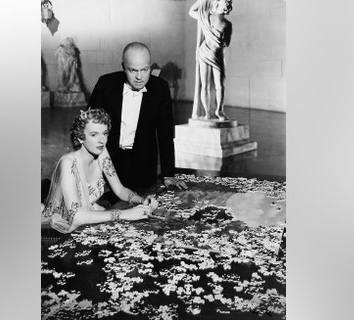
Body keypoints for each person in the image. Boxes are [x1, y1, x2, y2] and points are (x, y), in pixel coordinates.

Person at [89, 42, 188, 193]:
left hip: (142, 165)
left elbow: (165, 134)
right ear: (123, 67)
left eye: (145, 70)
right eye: (133, 70)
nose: (139, 77)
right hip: (106, 161)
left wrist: (168, 174)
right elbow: (88, 126)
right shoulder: (105, 84)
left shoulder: (160, 88)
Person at [41, 108, 159, 234]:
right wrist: (125, 214)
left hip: (92, 213)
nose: (101, 140)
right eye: (94, 134)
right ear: (81, 138)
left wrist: (142, 200)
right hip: (66, 221)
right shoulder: (68, 163)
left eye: (105, 133)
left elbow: (120, 190)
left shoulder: (102, 152)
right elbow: (77, 217)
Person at [189, 0, 233, 121]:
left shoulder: (226, 24)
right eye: (227, 2)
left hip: (216, 56)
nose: (229, 5)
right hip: (205, 53)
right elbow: (191, 11)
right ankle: (208, 113)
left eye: (230, 3)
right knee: (206, 84)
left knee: (220, 85)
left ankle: (219, 111)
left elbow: (227, 43)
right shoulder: (206, 16)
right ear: (218, 3)